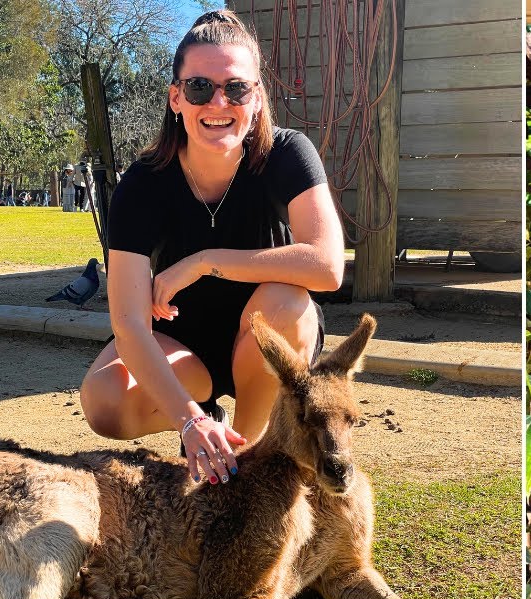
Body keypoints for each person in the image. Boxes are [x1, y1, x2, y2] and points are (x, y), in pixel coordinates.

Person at [79, 9, 343, 487]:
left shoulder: (286, 153)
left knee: (285, 302)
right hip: (185, 343)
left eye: (236, 88)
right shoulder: (143, 183)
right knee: (103, 401)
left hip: (264, 338)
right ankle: (208, 423)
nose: (218, 102)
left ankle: (246, 450)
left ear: (257, 98)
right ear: (176, 99)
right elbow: (129, 321)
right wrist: (188, 419)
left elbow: (327, 265)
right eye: (200, 88)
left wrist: (204, 263)